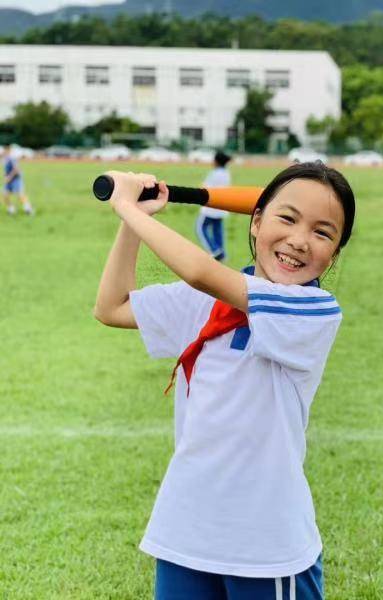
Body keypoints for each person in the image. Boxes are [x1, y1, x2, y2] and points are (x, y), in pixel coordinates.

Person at [93, 162, 356, 599]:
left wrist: (126, 207)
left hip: (266, 546)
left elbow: (200, 271)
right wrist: (134, 222)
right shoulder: (202, 303)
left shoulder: (312, 311)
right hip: (186, 532)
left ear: (334, 255)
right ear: (256, 222)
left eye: (322, 232)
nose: (298, 240)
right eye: (286, 218)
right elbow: (111, 308)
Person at [196, 151, 232, 261]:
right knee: (218, 231)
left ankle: (215, 251)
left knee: (200, 228)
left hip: (210, 208)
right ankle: (222, 252)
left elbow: (206, 188)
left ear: (216, 161)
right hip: (222, 207)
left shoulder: (214, 174)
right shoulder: (226, 173)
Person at [2, 145, 34, 216]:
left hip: (16, 179)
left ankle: (28, 209)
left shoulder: (12, 159)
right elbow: (6, 170)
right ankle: (11, 209)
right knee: (5, 195)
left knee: (20, 195)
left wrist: (9, 177)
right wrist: (5, 176)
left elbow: (16, 169)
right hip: (9, 180)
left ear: (8, 151)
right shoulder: (5, 159)